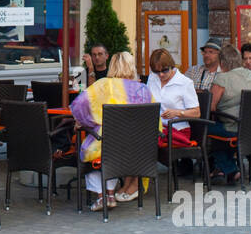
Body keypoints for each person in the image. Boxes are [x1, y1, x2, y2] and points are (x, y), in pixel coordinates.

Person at [70, 51, 155, 210]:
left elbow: (78, 105)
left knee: (93, 152)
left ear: (112, 66)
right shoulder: (143, 89)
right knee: (108, 151)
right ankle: (109, 194)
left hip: (108, 145)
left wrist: (87, 122)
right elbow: (153, 121)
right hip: (138, 150)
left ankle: (104, 196)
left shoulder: (104, 85)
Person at [208, 44, 251, 184]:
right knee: (219, 129)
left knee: (206, 130)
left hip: (234, 128)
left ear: (222, 62)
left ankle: (231, 169)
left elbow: (211, 107)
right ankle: (226, 168)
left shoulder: (222, 79)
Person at [146, 48, 201, 181]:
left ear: (172, 66)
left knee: (143, 140)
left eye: (164, 71)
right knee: (138, 136)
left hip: (178, 130)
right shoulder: (153, 78)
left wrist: (177, 112)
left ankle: (137, 182)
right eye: (156, 71)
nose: (161, 75)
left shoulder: (184, 82)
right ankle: (135, 180)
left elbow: (197, 112)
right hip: (158, 128)